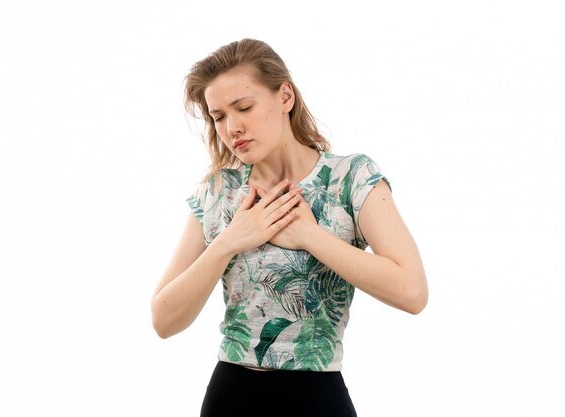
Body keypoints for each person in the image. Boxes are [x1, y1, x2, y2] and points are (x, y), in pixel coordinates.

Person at [151, 38, 428, 417]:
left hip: (316, 398)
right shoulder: (219, 191)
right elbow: (163, 320)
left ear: (285, 96)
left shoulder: (349, 178)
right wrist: (229, 242)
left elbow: (412, 292)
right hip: (230, 398)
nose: (232, 128)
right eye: (218, 117)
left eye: (244, 107)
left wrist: (309, 236)